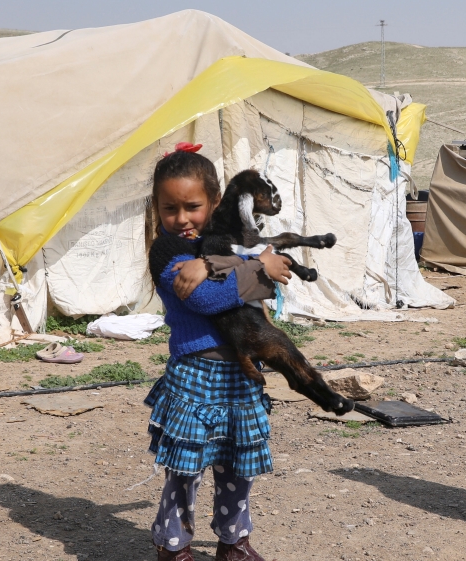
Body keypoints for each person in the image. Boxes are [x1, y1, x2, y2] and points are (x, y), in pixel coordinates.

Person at [144, 143, 292, 561]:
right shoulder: (168, 253)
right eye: (169, 208)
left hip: (241, 376)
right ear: (157, 208)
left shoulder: (221, 246)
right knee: (184, 469)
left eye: (192, 206)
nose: (181, 218)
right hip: (195, 374)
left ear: (214, 203)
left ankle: (234, 541)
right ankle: (173, 545)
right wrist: (258, 269)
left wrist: (250, 269)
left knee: (238, 465)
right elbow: (206, 301)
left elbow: (264, 287)